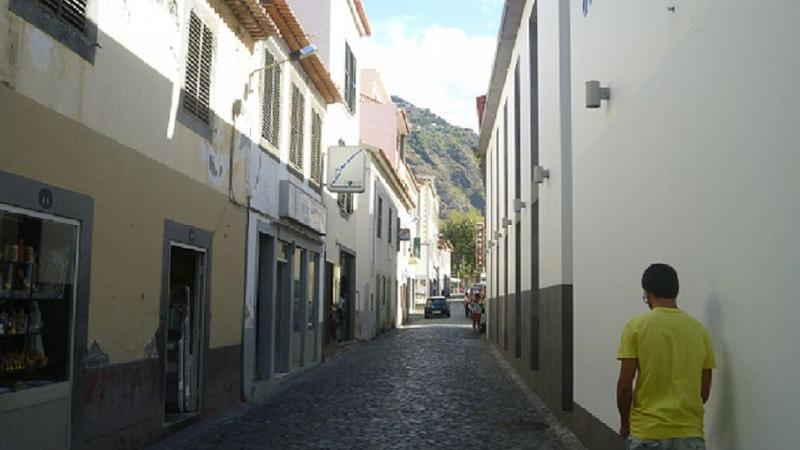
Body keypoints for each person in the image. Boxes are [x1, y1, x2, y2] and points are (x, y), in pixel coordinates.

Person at [617, 263, 716, 450]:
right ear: (676, 291)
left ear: (647, 294)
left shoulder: (635, 326)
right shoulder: (700, 331)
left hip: (647, 431)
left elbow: (624, 386)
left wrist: (625, 423)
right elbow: (704, 389)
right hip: (690, 433)